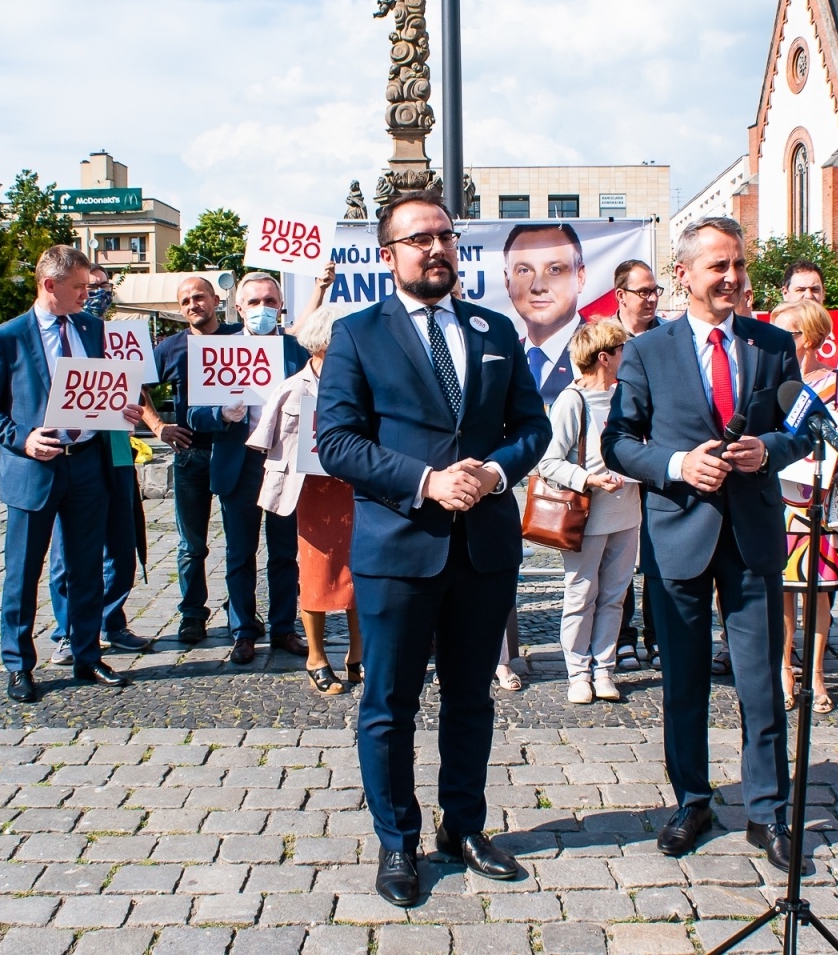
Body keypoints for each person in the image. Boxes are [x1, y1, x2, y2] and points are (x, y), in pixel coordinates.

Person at [317, 190, 550, 908]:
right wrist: (424, 481)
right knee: (389, 705)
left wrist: (495, 470)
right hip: (398, 549)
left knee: (471, 700)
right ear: (388, 255)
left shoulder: (494, 328)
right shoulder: (359, 335)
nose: (436, 248)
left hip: (483, 548)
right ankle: (397, 842)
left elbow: (531, 426)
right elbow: (337, 442)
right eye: (419, 239)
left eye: (444, 235)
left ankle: (465, 827)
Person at [602, 215, 812, 867]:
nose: (731, 277)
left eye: (738, 265)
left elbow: (805, 425)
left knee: (759, 683)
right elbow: (619, 442)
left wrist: (768, 449)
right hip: (678, 539)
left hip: (751, 536)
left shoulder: (773, 345)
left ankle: (768, 813)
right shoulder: (646, 351)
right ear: (684, 276)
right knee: (685, 684)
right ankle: (692, 800)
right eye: (717, 266)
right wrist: (675, 466)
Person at [0, 245, 142, 703]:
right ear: (50, 286)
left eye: (90, 286)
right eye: (80, 287)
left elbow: (101, 388)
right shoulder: (7, 338)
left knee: (86, 567)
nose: (89, 294)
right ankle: (19, 665)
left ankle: (87, 654)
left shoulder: (92, 328)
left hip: (87, 463)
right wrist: (21, 438)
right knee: (23, 571)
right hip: (35, 467)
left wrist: (117, 407)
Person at [189, 272, 311, 666]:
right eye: (255, 302)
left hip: (284, 463)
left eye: (271, 301)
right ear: (238, 308)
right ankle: (242, 630)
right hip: (238, 463)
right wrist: (221, 414)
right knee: (240, 553)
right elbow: (193, 413)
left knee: (284, 553)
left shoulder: (296, 349)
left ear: (281, 307)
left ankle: (284, 628)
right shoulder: (216, 351)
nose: (263, 309)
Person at [248, 305, 364, 696]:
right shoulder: (293, 387)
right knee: (315, 574)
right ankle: (317, 657)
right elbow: (265, 441)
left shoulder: (361, 384)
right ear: (323, 344)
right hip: (311, 493)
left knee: (359, 572)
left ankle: (357, 654)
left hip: (354, 488)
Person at [43, 267, 152, 663]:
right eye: (88, 287)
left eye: (102, 287)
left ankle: (112, 620)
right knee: (67, 552)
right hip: (74, 452)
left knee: (122, 541)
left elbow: (134, 387)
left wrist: (137, 412)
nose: (95, 294)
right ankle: (67, 631)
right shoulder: (56, 333)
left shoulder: (107, 332)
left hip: (116, 450)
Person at [768, 300, 838, 716]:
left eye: (785, 332)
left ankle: (818, 672)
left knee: (818, 592)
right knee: (782, 591)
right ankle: (785, 669)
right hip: (778, 497)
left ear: (806, 338)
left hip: (819, 501)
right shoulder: (769, 382)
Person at [537, 319, 639, 706]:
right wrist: (589, 479)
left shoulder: (627, 397)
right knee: (581, 594)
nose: (625, 357)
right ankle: (578, 672)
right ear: (605, 357)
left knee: (614, 595)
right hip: (586, 516)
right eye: (621, 351)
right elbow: (548, 463)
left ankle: (605, 669)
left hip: (627, 511)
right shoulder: (571, 400)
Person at [151, 276, 240, 645]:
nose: (192, 304)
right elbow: (134, 385)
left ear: (216, 299)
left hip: (236, 452)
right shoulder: (170, 348)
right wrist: (158, 426)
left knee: (240, 543)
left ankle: (241, 613)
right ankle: (192, 614)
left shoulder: (241, 339)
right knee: (191, 545)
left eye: (199, 297)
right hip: (191, 455)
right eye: (185, 300)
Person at [611, 259, 661, 673]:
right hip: (617, 466)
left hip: (662, 463)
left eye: (654, 291)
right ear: (621, 296)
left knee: (661, 552)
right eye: (642, 292)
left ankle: (658, 634)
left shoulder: (668, 336)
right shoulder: (599, 337)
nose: (650, 298)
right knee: (620, 556)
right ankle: (622, 637)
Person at [505, 222, 585, 405]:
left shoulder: (602, 353)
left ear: (580, 277)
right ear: (507, 282)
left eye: (554, 270)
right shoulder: (504, 357)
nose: (538, 286)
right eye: (524, 270)